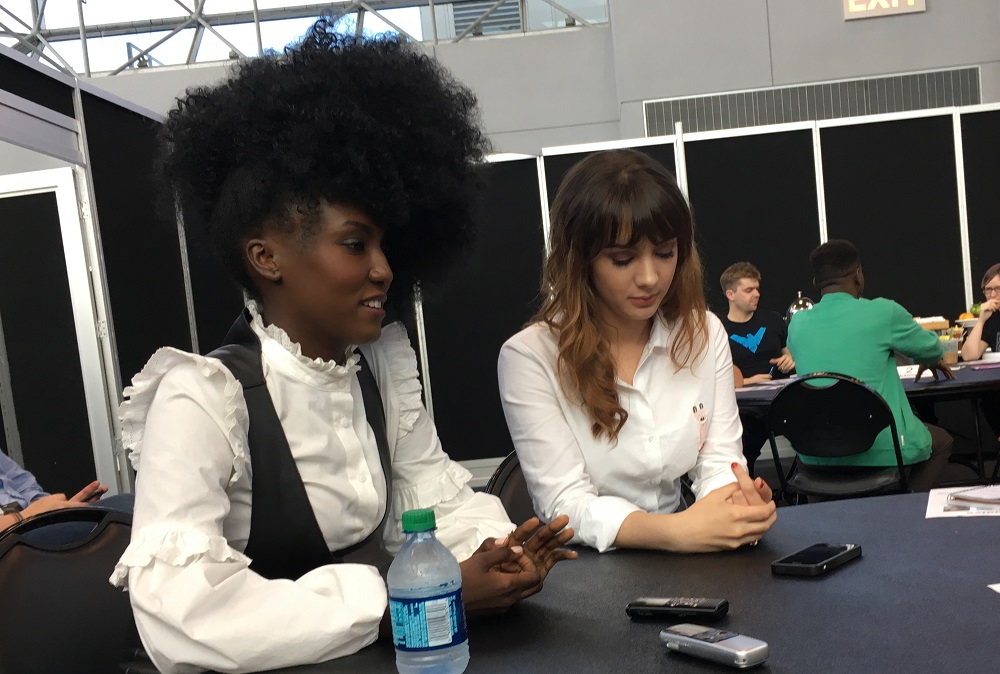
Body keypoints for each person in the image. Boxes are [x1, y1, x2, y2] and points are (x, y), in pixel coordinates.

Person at [110, 23, 575, 674]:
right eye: (356, 244)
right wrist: (403, 600)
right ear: (266, 256)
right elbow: (183, 615)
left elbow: (436, 506)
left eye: (386, 245)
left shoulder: (380, 367)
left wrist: (497, 554)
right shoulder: (201, 399)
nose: (384, 269)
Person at [498, 149, 777, 555]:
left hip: (692, 553)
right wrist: (676, 532)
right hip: (590, 566)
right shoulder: (530, 357)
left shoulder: (703, 333)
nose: (649, 278)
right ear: (580, 261)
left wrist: (735, 505)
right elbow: (565, 504)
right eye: (623, 259)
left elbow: (720, 459)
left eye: (665, 253)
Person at [787, 240, 954, 491]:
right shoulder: (884, 312)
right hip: (883, 447)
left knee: (820, 462)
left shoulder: (798, 323)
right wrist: (929, 359)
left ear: (816, 283)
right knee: (942, 442)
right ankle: (906, 504)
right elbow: (933, 348)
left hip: (816, 449)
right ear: (858, 275)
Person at [719, 261, 795, 475]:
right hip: (744, 409)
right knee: (743, 445)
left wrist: (789, 359)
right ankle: (745, 485)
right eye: (749, 290)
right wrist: (745, 382)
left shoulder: (773, 320)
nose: (757, 294)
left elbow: (788, 352)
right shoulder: (718, 329)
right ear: (730, 294)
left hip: (780, 402)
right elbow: (714, 376)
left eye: (757, 289)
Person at [0, 449, 108, 532]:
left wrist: (53, 510)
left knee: (108, 518)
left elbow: (24, 484)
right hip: (10, 542)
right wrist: (26, 516)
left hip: (30, 528)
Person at [959, 263, 1000, 437]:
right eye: (988, 290)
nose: (992, 295)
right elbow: (969, 355)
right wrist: (981, 320)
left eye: (997, 289)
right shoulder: (993, 319)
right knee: (989, 400)